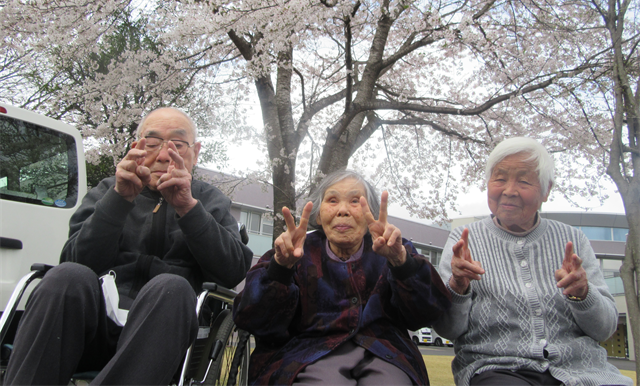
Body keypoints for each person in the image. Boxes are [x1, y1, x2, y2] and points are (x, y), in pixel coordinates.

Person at [5, 107, 253, 386]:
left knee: (171, 286)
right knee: (67, 276)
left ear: (195, 153)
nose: (162, 155)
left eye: (177, 145)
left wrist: (188, 208)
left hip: (163, 335)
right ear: (136, 147)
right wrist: (119, 200)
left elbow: (232, 272)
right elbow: (74, 258)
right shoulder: (108, 190)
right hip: (92, 327)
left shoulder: (209, 200)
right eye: (152, 143)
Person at [433, 137, 632, 386]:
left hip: (583, 370)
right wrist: (457, 286)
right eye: (500, 178)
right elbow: (447, 329)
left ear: (546, 190)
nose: (509, 190)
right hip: (497, 368)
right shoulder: (464, 240)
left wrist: (583, 294)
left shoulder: (573, 239)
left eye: (524, 181)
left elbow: (604, 329)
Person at [233, 170, 452, 386]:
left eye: (355, 201)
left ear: (370, 215)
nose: (343, 210)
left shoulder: (394, 249)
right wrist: (281, 269)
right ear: (319, 215)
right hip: (308, 354)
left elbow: (429, 313)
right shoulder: (295, 252)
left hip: (384, 352)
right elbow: (251, 319)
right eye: (333, 200)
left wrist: (401, 264)